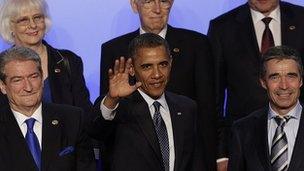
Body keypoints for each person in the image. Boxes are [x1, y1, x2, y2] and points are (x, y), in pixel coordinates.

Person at [100, 0, 216, 170]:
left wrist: (215, 158)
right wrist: (111, 100)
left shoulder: (197, 44)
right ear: (134, 4)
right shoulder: (114, 49)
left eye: (163, 1)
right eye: (148, 2)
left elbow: (208, 110)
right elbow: (102, 125)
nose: (157, 9)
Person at [207, 0, 304, 170]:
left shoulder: (302, 18)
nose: (282, 85)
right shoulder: (222, 28)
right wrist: (221, 154)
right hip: (246, 145)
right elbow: (213, 96)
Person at [89, 33, 205, 171]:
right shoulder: (120, 108)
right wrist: (112, 99)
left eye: (163, 64)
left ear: (171, 63)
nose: (157, 75)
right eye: (147, 67)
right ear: (132, 69)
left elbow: (195, 162)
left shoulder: (186, 107)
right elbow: (96, 131)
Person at [0, 46, 95, 171]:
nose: (28, 87)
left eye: (34, 77)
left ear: (42, 79)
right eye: (17, 80)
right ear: (3, 86)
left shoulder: (73, 119)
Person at [0, 0, 93, 116]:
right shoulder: (2, 65)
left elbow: (85, 113)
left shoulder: (68, 61)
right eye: (24, 20)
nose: (33, 25)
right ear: (10, 26)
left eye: (37, 17)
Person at [228, 46, 304, 170]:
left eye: (291, 76)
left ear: (300, 80)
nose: (284, 85)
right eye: (275, 77)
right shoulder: (243, 130)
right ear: (263, 82)